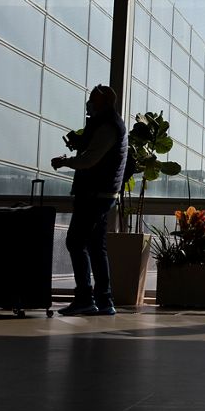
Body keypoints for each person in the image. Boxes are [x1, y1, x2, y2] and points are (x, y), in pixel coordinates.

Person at [51, 85, 127, 317]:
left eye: (93, 99)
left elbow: (90, 160)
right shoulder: (110, 124)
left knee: (75, 242)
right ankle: (104, 300)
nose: (89, 103)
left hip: (95, 195)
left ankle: (85, 297)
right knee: (95, 247)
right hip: (103, 194)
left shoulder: (107, 126)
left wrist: (65, 162)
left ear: (104, 102)